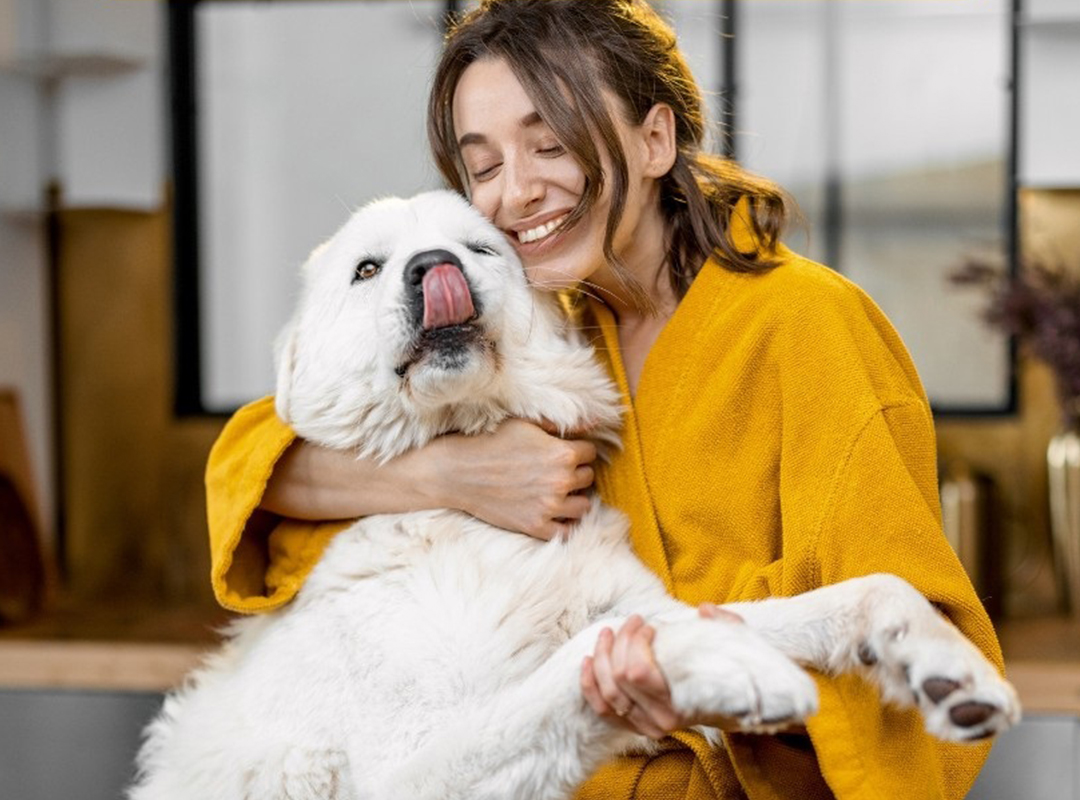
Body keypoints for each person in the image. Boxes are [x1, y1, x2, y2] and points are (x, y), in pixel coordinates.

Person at [205, 1, 1005, 797]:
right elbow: (259, 459)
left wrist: (692, 676)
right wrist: (450, 476)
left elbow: (933, 649)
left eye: (550, 144)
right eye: (482, 168)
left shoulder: (808, 326)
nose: (516, 192)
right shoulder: (535, 328)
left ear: (656, 140)